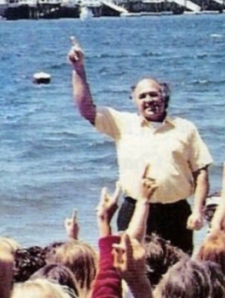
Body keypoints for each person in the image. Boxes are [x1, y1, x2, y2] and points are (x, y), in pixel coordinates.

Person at [68, 36, 213, 254]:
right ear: (135, 101)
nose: (149, 100)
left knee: (178, 279)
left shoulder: (185, 128)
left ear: (164, 97)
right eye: (142, 96)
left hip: (177, 214)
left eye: (154, 94)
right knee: (133, 273)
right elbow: (86, 109)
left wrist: (198, 211)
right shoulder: (122, 124)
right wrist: (79, 70)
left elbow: (201, 172)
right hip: (134, 210)